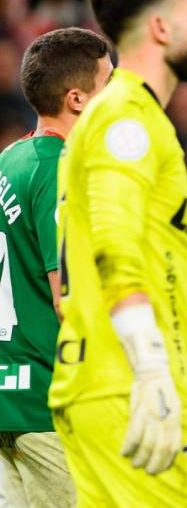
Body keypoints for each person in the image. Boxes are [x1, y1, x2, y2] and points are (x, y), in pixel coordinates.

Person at [49, 0, 187, 507]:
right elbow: (115, 244)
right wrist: (150, 369)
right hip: (127, 383)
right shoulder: (127, 119)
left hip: (120, 381)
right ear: (161, 27)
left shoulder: (127, 115)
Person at [0, 27, 112, 508]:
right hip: (51, 403)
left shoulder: (11, 159)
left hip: (7, 396)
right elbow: (70, 296)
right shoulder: (62, 167)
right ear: (77, 99)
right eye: (110, 84)